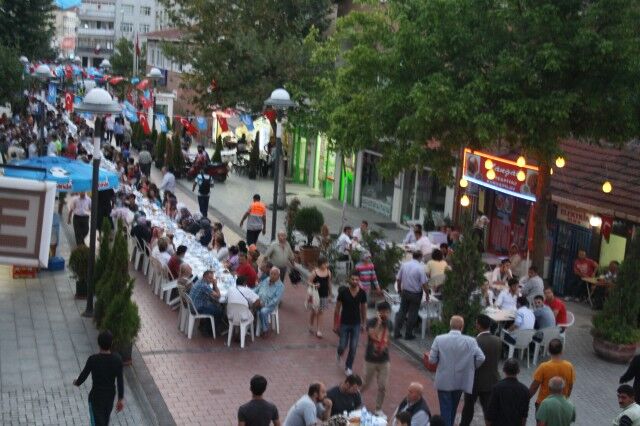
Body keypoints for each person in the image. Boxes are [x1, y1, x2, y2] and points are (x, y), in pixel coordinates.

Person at [428, 316, 485, 426]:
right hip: (461, 379)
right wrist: (471, 367)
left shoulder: (439, 339)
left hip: (444, 379)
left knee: (445, 409)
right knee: (453, 408)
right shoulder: (471, 341)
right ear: (462, 327)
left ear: (450, 325)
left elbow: (431, 360)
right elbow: (481, 357)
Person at [73, 331, 124, 426]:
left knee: (96, 422)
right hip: (109, 397)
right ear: (111, 343)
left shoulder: (93, 359)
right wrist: (120, 399)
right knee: (105, 420)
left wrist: (77, 382)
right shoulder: (117, 360)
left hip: (96, 397)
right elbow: (120, 380)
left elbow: (83, 375)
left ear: (99, 344)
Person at [460, 314, 501, 426]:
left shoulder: (474, 341)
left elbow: (469, 361)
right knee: (488, 410)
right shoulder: (498, 340)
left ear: (478, 325)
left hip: (474, 381)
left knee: (468, 409)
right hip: (491, 380)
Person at [361, 301, 392, 415]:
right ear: (378, 312)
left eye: (387, 312)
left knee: (383, 386)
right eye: (382, 312)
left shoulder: (390, 324)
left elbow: (388, 339)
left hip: (384, 360)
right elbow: (372, 335)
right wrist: (378, 323)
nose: (385, 314)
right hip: (371, 359)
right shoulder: (371, 322)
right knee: (365, 383)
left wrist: (385, 347)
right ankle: (355, 398)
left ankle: (378, 408)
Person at [334, 271, 367, 376]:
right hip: (344, 323)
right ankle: (339, 353)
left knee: (353, 347)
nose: (354, 281)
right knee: (342, 345)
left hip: (356, 323)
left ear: (359, 280)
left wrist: (364, 323)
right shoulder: (343, 292)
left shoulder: (362, 293)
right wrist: (335, 324)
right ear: (349, 279)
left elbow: (363, 309)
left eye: (356, 279)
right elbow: (337, 309)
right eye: (353, 279)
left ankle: (348, 366)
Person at [530, 339, 575, 409]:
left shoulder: (544, 367)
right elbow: (570, 386)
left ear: (549, 351)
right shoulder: (569, 366)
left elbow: (534, 386)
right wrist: (566, 398)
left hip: (544, 404)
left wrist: (526, 398)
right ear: (562, 350)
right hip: (561, 404)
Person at [394, 251, 429, 340]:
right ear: (420, 257)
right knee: (412, 314)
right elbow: (424, 284)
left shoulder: (404, 265)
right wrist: (427, 294)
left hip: (405, 291)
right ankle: (408, 334)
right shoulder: (420, 268)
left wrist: (399, 289)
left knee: (402, 311)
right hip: (416, 294)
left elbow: (398, 279)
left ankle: (396, 332)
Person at [485, 358, 530, 426]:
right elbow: (524, 415)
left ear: (504, 370)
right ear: (518, 371)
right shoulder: (525, 390)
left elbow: (491, 411)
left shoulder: (497, 388)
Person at [255, 267, 285, 336]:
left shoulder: (280, 286)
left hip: (270, 305)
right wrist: (250, 293)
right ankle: (252, 325)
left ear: (278, 276)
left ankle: (265, 329)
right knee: (249, 305)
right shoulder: (266, 280)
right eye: (271, 274)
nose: (272, 276)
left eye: (275, 274)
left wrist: (264, 304)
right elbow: (258, 288)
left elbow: (275, 300)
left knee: (263, 311)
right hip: (259, 300)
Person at [308, 256, 332, 338]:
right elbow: (309, 282)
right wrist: (314, 285)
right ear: (320, 264)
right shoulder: (315, 272)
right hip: (315, 295)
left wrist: (330, 294)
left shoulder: (328, 272)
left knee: (321, 312)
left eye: (326, 263)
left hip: (324, 295)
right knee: (314, 311)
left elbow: (329, 283)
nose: (326, 265)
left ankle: (319, 330)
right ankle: (311, 325)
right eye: (325, 263)